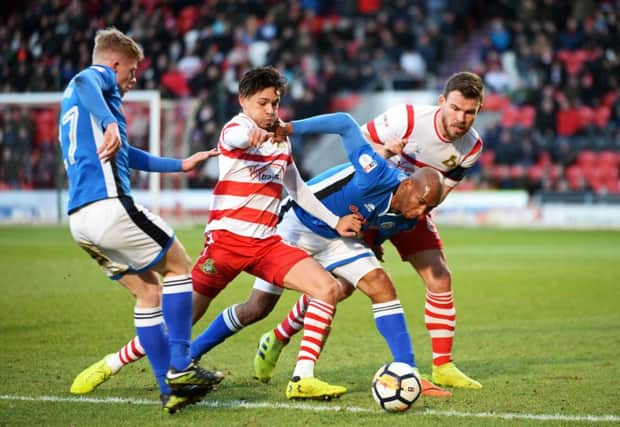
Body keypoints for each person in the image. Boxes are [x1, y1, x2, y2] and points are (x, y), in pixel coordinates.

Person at [71, 111, 449, 400]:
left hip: (335, 235)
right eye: (418, 203)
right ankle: (146, 357)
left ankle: (399, 370)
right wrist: (291, 128)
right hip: (295, 226)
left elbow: (378, 224)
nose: (419, 214)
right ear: (408, 185)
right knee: (251, 309)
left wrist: (369, 237)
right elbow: (345, 124)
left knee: (374, 287)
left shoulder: (409, 215)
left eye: (426, 210)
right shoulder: (375, 173)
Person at [69, 66, 362, 400]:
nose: (269, 111)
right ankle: (110, 363)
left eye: (275, 104)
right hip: (226, 244)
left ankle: (302, 378)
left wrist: (335, 221)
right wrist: (250, 134)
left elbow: (297, 189)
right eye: (262, 103)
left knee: (326, 288)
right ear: (243, 101)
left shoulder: (282, 142)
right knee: (177, 323)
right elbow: (235, 138)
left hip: (267, 243)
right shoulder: (236, 127)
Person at [255, 72, 485, 390]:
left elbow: (442, 191)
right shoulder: (406, 118)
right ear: (442, 102)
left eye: (470, 112)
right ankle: (279, 336)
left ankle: (442, 366)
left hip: (412, 209)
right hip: (374, 200)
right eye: (457, 108)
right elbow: (360, 147)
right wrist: (389, 151)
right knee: (341, 287)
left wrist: (412, 215)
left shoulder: (472, 147)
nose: (462, 118)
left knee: (440, 275)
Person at [59, 27, 223, 414]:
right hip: (110, 206)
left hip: (80, 222)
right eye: (131, 72)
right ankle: (181, 366)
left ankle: (170, 388)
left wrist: (180, 165)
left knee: (148, 294)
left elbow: (127, 155)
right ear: (114, 63)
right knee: (181, 265)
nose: (133, 80)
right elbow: (85, 77)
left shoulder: (76, 104)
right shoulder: (95, 81)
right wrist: (111, 120)